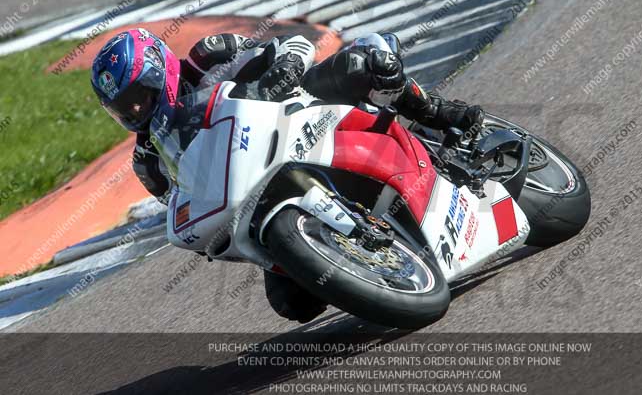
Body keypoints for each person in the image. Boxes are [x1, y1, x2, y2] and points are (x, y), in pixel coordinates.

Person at [90, 27, 483, 322]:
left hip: (300, 110)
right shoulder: (148, 158)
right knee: (294, 304)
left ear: (159, 70)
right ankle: (349, 250)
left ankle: (437, 113)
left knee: (369, 62)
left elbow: (289, 44)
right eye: (123, 108)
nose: (136, 111)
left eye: (139, 95)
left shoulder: (207, 56)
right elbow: (181, 197)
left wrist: (279, 74)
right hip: (250, 182)